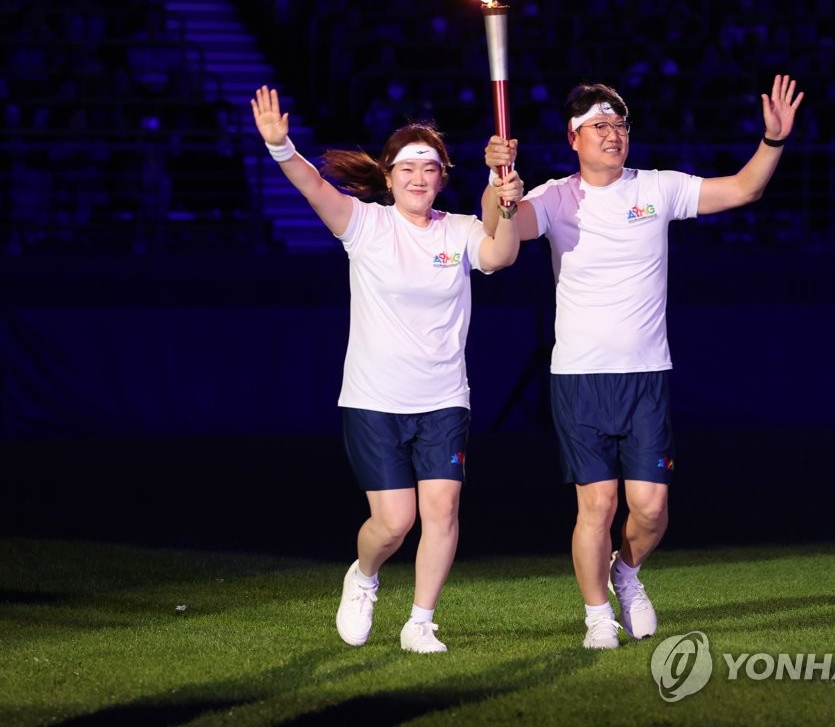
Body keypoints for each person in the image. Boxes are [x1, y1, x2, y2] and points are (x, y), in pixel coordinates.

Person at [481, 74, 803, 649]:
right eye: (599, 126)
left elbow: (743, 190)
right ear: (573, 138)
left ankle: (625, 573)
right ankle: (597, 615)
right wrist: (496, 188)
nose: (613, 134)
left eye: (620, 125)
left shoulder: (656, 188)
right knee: (597, 505)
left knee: (650, 510)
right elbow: (503, 239)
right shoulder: (555, 197)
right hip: (579, 379)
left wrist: (772, 142)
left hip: (646, 376)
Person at [252, 85, 523, 653]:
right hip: (375, 400)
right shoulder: (367, 227)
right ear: (390, 175)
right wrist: (281, 148)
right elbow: (314, 186)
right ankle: (365, 575)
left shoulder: (459, 231)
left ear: (443, 177)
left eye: (429, 167)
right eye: (407, 167)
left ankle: (421, 621)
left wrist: (502, 195)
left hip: (444, 398)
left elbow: (500, 255)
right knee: (393, 523)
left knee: (443, 511)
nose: (419, 177)